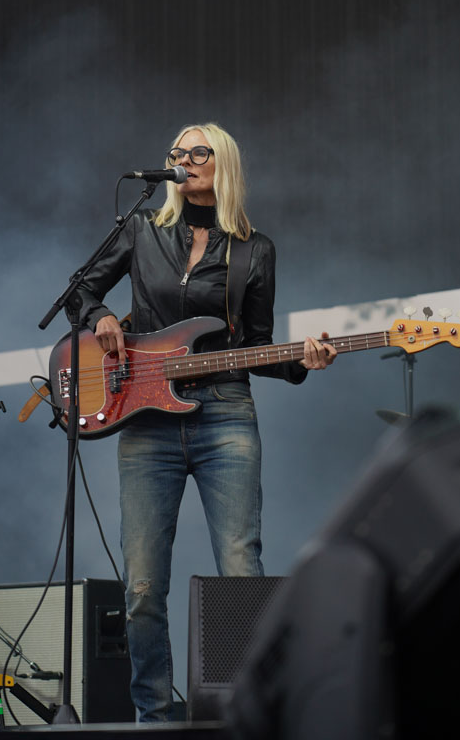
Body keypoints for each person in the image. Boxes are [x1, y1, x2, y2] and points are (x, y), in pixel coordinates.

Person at [76, 122, 337, 722]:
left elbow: (259, 345)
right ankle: (154, 718)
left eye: (198, 151)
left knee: (241, 571)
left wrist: (302, 360)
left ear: (224, 164)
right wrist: (100, 317)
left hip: (225, 413)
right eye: (177, 152)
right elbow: (81, 290)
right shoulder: (142, 228)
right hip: (146, 419)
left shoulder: (254, 249)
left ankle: (245, 716)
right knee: (143, 586)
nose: (185, 159)